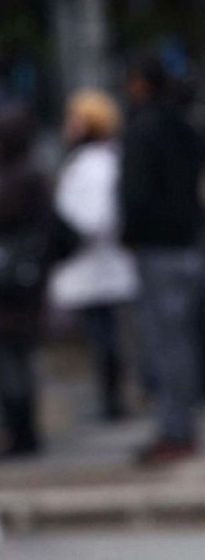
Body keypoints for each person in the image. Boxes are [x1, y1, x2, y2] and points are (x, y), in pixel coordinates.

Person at [119, 55, 205, 465]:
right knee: (181, 340)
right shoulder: (183, 125)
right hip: (186, 243)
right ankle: (181, 425)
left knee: (165, 345)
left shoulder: (143, 129)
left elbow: (135, 194)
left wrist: (130, 233)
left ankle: (176, 429)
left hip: (157, 248)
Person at [49, 90, 138, 422]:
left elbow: (97, 216)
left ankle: (113, 400)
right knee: (103, 334)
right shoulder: (95, 160)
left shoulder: (96, 163)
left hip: (96, 261)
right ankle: (111, 398)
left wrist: (70, 235)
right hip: (95, 262)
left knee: (105, 336)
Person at [0, 103, 52, 458]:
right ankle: (24, 428)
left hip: (13, 282)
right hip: (27, 282)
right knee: (20, 358)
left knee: (12, 360)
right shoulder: (35, 175)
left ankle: (21, 430)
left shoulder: (18, 179)